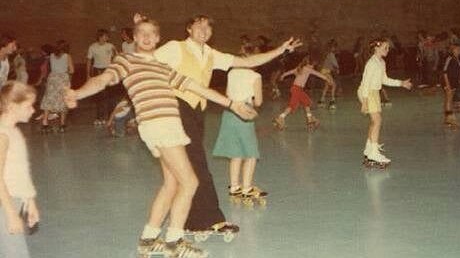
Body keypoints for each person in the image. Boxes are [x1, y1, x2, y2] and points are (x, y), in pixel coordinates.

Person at [66, 14, 256, 258]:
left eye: (151, 34)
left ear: (157, 39)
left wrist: (232, 104)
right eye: (141, 33)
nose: (146, 37)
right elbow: (103, 79)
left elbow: (194, 87)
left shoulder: (161, 66)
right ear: (134, 37)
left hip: (170, 124)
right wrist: (77, 93)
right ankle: (175, 243)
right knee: (190, 182)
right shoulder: (127, 60)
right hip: (158, 124)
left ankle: (148, 239)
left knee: (172, 183)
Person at [154, 14, 301, 238]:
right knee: (197, 164)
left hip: (195, 111)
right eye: (199, 25)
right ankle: (210, 219)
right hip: (176, 108)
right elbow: (149, 62)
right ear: (189, 29)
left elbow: (248, 62)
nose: (204, 29)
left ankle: (185, 223)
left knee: (184, 171)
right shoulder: (175, 48)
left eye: (208, 27)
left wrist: (280, 50)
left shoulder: (211, 54)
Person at [212, 47, 267, 207]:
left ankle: (235, 186)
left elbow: (229, 93)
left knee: (235, 153)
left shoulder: (231, 73)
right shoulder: (255, 76)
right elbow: (258, 102)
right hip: (245, 113)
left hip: (230, 112)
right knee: (251, 153)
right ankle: (247, 188)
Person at [0, 81, 40, 258]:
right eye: (28, 106)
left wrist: (30, 201)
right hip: (5, 204)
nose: (33, 110)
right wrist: (10, 213)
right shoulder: (2, 135)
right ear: (11, 106)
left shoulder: (14, 131)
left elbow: (22, 172)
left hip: (17, 200)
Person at [358, 38, 412, 168]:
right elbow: (365, 83)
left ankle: (369, 149)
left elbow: (384, 79)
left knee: (374, 122)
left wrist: (401, 83)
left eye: (388, 48)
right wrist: (364, 102)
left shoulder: (381, 62)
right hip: (367, 93)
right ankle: (374, 153)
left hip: (375, 93)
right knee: (377, 121)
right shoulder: (371, 63)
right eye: (385, 48)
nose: (387, 50)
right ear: (376, 48)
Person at [272, 55, 332, 131]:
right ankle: (280, 118)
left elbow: (290, 72)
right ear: (310, 64)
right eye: (313, 65)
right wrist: (327, 79)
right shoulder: (307, 69)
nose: (313, 67)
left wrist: (283, 75)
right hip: (297, 89)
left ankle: (310, 118)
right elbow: (317, 74)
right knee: (294, 105)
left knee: (305, 103)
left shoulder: (300, 68)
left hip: (296, 89)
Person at [40, 40, 74, 133]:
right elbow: (71, 70)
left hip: (52, 78)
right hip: (63, 79)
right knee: (63, 100)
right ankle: (62, 125)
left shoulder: (51, 56)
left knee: (49, 99)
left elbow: (49, 68)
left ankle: (45, 123)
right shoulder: (67, 56)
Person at [86, 29, 117, 125]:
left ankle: (111, 116)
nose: (107, 38)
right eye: (105, 36)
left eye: (107, 36)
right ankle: (100, 117)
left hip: (108, 71)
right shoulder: (92, 47)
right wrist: (88, 74)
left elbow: (117, 57)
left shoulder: (110, 46)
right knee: (100, 95)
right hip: (98, 71)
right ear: (100, 36)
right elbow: (89, 61)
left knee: (111, 95)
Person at [442, 44, 460, 129]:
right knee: (448, 99)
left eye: (459, 49)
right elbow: (444, 72)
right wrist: (447, 84)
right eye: (457, 49)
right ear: (452, 50)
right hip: (448, 82)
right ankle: (449, 119)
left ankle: (448, 119)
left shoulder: (457, 59)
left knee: (450, 100)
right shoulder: (449, 58)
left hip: (454, 82)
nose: (459, 50)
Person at [318, 42, 339, 109]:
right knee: (333, 85)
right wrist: (337, 68)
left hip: (325, 71)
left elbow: (330, 64)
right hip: (325, 72)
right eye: (334, 47)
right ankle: (332, 101)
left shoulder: (328, 54)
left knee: (327, 86)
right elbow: (335, 64)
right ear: (332, 48)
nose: (335, 49)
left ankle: (321, 100)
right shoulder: (331, 55)